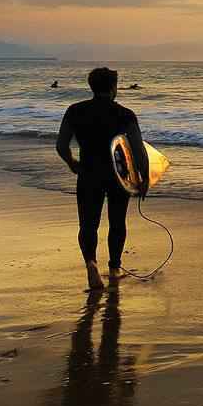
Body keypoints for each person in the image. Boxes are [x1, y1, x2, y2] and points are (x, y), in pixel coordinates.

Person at [56, 67, 148, 291]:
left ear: (92, 86)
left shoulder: (75, 111)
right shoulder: (125, 114)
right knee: (117, 222)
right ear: (114, 87)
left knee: (88, 224)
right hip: (119, 176)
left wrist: (72, 163)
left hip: (88, 173)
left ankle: (91, 264)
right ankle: (115, 268)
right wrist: (143, 178)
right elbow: (138, 149)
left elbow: (61, 145)